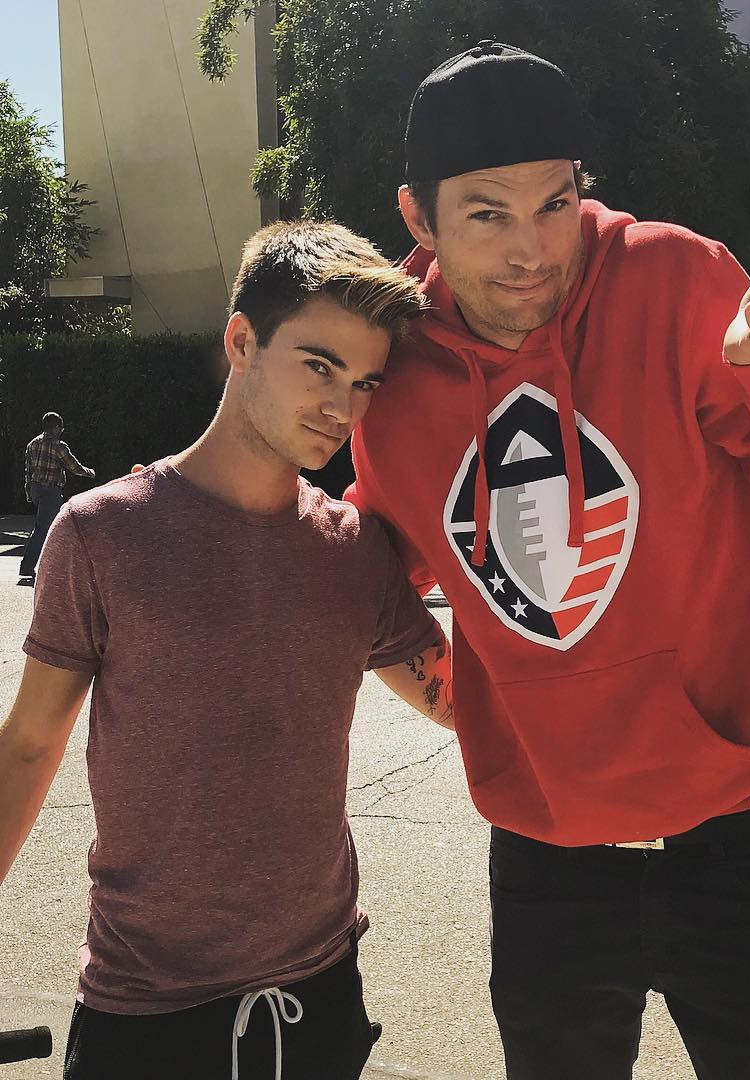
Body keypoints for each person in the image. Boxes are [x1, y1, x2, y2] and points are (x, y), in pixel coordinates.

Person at [346, 42, 750, 1080]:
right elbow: (365, 571)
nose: (531, 250)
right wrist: (472, 707)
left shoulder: (676, 280)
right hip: (548, 866)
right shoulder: (395, 364)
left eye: (554, 204)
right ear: (418, 217)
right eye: (487, 215)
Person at [0, 221, 454, 1080]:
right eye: (319, 367)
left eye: (364, 382)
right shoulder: (103, 534)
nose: (343, 408)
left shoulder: (355, 549)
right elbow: (28, 745)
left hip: (320, 1000)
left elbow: (459, 702)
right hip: (146, 1014)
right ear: (242, 341)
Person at [19, 412, 96, 583]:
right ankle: (29, 566)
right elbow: (74, 467)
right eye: (61, 428)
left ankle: (49, 566)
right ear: (55, 427)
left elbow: (28, 471)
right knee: (45, 529)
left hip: (36, 490)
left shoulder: (32, 444)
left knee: (47, 527)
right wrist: (91, 473)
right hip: (50, 491)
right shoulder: (58, 445)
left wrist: (29, 492)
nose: (62, 430)